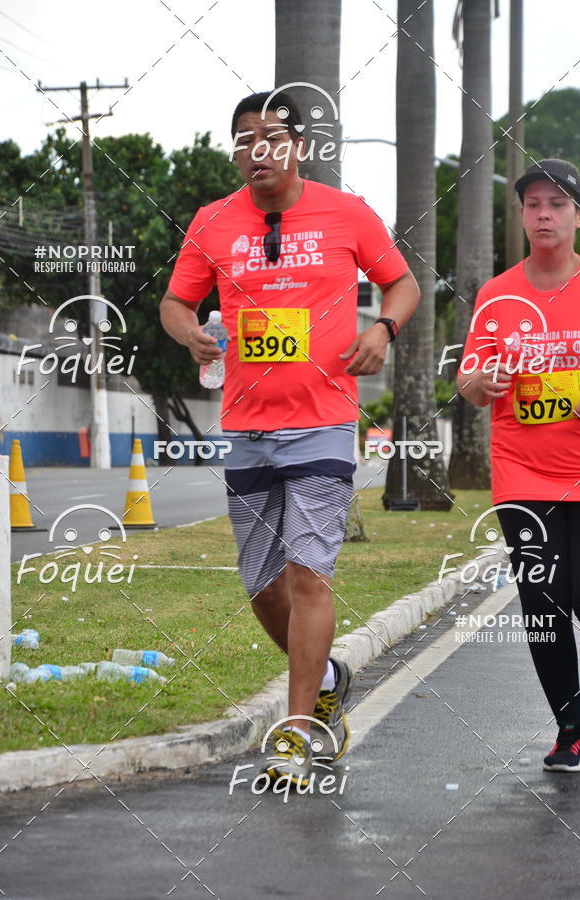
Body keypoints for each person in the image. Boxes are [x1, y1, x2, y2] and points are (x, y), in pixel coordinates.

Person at [160, 90, 420, 785]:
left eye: (273, 137)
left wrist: (380, 329)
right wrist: (190, 334)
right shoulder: (213, 223)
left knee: (309, 573)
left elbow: (402, 285)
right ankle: (329, 675)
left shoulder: (348, 213)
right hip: (246, 425)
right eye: (245, 140)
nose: (259, 151)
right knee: (261, 586)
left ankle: (297, 734)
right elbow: (176, 302)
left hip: (324, 422)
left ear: (299, 146)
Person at [458, 158, 580, 772]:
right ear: (520, 217)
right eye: (533, 204)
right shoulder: (497, 294)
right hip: (522, 472)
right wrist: (481, 381)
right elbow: (466, 379)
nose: (544, 213)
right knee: (543, 603)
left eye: (557, 204)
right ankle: (570, 731)